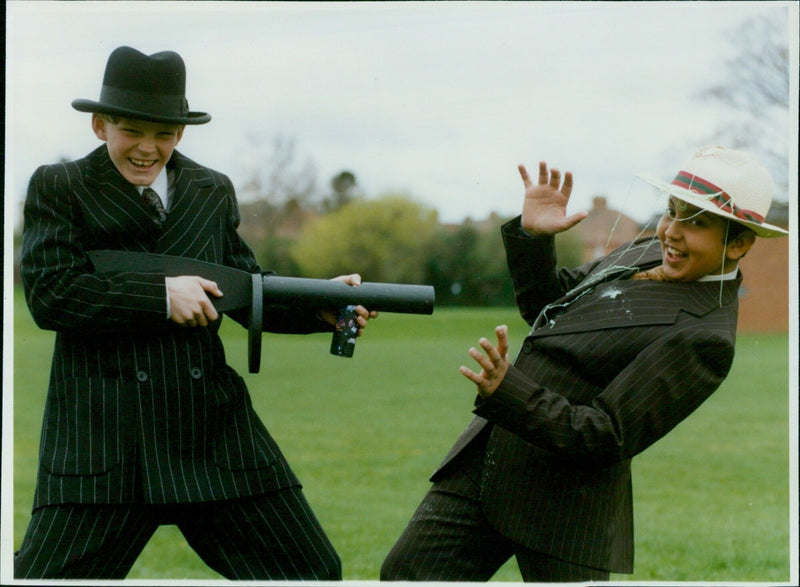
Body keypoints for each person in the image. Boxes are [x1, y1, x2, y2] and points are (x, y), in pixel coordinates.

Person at [15, 45, 378, 580]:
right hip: (102, 444)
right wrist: (161, 296)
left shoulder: (211, 190)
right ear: (99, 125)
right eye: (132, 131)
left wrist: (316, 305)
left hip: (209, 435)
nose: (147, 148)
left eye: (163, 133)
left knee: (311, 573)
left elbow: (245, 288)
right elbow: (51, 294)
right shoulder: (60, 185)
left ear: (181, 133)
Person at [381, 146, 788, 582]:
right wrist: (536, 239)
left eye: (697, 222)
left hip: (563, 513)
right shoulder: (647, 251)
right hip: (488, 464)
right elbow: (550, 306)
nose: (671, 231)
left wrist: (508, 391)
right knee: (407, 575)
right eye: (672, 212)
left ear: (740, 242)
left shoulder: (706, 337)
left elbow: (607, 433)